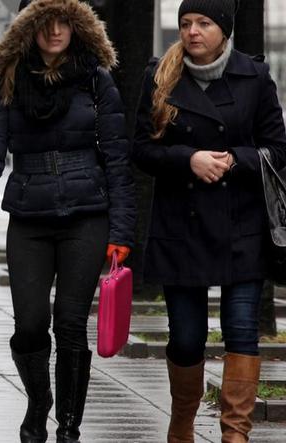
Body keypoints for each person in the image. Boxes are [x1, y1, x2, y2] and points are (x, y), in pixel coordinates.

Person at [0, 1, 135, 441]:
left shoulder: (96, 78)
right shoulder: (6, 79)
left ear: (77, 25)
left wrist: (120, 231)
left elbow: (118, 160)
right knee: (29, 324)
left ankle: (69, 427)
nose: (56, 31)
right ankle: (39, 400)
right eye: (46, 23)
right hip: (28, 214)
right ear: (29, 28)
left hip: (87, 216)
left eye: (64, 21)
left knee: (70, 323)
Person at [132, 1, 286, 441]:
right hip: (182, 225)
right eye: (185, 23)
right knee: (186, 338)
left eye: (203, 23)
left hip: (242, 223)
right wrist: (189, 159)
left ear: (224, 30)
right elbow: (140, 149)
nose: (192, 31)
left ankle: (235, 433)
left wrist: (233, 161)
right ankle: (183, 418)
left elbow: (278, 149)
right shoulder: (160, 75)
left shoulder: (253, 76)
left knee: (241, 329)